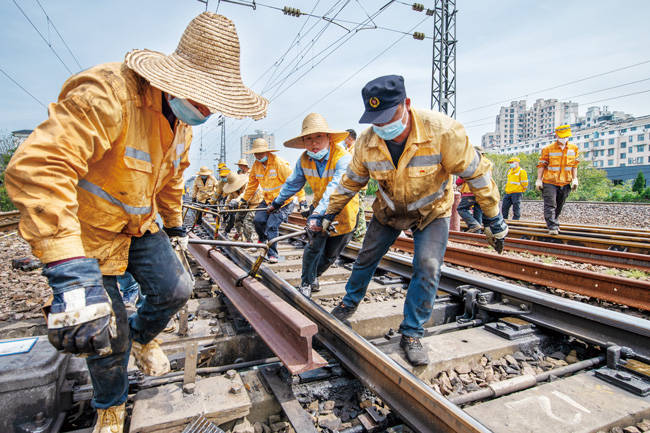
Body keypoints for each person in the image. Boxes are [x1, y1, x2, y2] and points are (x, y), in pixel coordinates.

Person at [4, 12, 267, 433]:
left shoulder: (181, 125)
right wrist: (69, 272)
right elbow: (39, 168)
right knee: (107, 330)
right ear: (175, 78)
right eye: (202, 96)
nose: (205, 109)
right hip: (86, 236)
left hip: (140, 226)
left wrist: (176, 227)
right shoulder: (107, 93)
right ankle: (110, 405)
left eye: (212, 101)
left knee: (176, 288)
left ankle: (145, 338)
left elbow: (170, 182)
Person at [321, 75, 506, 366]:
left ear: (406, 104)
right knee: (365, 258)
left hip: (431, 212)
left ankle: (412, 332)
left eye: (388, 118)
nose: (383, 127)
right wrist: (328, 212)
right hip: (389, 211)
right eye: (376, 121)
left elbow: (478, 173)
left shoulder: (443, 132)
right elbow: (350, 183)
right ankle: (349, 301)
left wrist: (494, 218)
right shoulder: (368, 143)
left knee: (428, 266)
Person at [271, 113, 359, 297]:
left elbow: (335, 188)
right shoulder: (304, 160)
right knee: (313, 248)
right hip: (319, 209)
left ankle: (314, 276)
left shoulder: (343, 158)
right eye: (308, 139)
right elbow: (293, 183)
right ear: (304, 142)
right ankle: (306, 282)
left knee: (330, 254)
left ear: (328, 137)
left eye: (319, 136)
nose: (314, 143)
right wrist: (277, 202)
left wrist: (319, 214)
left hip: (343, 213)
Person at [239, 138, 305, 263]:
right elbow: (252, 186)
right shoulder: (256, 166)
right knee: (258, 220)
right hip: (268, 199)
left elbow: (294, 182)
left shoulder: (279, 164)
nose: (258, 156)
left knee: (271, 226)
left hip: (284, 201)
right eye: (256, 153)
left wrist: (302, 200)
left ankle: (272, 254)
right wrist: (243, 200)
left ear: (267, 152)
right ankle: (263, 240)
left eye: (261, 153)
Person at [535, 125, 579, 235]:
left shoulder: (574, 149)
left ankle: (553, 221)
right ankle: (552, 226)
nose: (564, 139)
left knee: (560, 204)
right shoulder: (548, 149)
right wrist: (539, 180)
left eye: (566, 137)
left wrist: (575, 179)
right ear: (556, 136)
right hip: (550, 181)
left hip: (565, 181)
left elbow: (574, 165)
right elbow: (542, 165)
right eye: (562, 137)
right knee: (550, 204)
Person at [342, 128, 367, 242]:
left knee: (359, 209)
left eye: (344, 138)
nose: (343, 140)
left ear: (349, 138)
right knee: (353, 209)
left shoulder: (355, 150)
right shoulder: (350, 149)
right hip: (353, 184)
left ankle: (359, 235)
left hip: (358, 185)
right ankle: (355, 233)